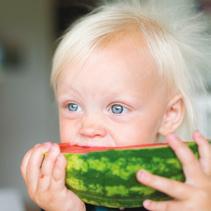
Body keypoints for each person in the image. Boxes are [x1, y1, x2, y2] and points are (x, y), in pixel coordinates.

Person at [20, 0, 211, 210]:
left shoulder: (186, 197)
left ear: (169, 114)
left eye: (116, 108)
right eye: (73, 106)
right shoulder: (63, 195)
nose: (89, 128)